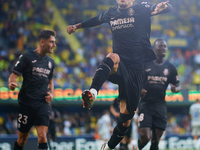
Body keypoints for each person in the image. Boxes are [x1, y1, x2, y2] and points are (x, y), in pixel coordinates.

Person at [67, 1, 173, 149]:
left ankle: (108, 147)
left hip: (137, 71)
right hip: (120, 65)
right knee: (112, 56)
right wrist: (76, 26)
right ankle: (92, 93)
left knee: (125, 121)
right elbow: (96, 20)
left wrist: (161, 7)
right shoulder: (111, 13)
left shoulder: (141, 9)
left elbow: (164, 8)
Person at [8, 30, 56, 150]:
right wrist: (11, 83)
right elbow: (13, 75)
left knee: (42, 137)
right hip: (26, 104)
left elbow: (50, 81)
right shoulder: (26, 57)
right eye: (51, 42)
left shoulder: (51, 62)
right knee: (22, 140)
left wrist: (52, 94)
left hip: (42, 104)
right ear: (42, 42)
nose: (54, 45)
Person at [137, 38, 180, 150]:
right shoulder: (145, 64)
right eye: (160, 46)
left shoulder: (171, 68)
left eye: (165, 46)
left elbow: (178, 85)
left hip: (160, 106)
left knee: (155, 141)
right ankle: (138, 147)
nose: (163, 48)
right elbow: (136, 81)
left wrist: (176, 89)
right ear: (154, 49)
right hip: (146, 105)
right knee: (145, 137)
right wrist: (139, 90)